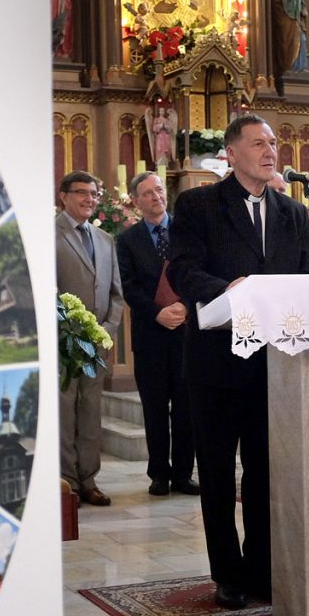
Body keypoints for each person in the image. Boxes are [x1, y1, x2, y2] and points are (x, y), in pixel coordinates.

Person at [167, 115, 309, 610]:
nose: (270, 150)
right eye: (258, 143)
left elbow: (308, 277)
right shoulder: (199, 205)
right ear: (231, 154)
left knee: (264, 473)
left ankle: (260, 568)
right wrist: (227, 290)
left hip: (275, 367)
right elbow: (183, 269)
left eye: (272, 142)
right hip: (215, 363)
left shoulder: (292, 213)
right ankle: (227, 575)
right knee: (216, 474)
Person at [116, 172, 198, 498]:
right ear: (136, 201)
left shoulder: (187, 231)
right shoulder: (127, 240)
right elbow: (128, 286)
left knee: (186, 407)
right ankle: (159, 474)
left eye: (159, 190)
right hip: (150, 335)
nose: (156, 196)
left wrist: (185, 306)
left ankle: (184, 474)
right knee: (154, 408)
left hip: (186, 333)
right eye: (148, 193)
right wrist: (156, 312)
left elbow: (198, 272)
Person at [55, 171, 124, 506]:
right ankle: (67, 481)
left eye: (94, 194)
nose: (89, 199)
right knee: (65, 412)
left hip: (96, 344)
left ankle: (88, 479)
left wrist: (106, 330)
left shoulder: (105, 239)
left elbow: (116, 294)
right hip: (63, 344)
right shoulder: (48, 235)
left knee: (91, 412)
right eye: (82, 192)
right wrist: (65, 330)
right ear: (64, 196)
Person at [271, 0, 308, 93]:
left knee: (301, 40)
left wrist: (303, 8)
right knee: (287, 43)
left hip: (297, 20)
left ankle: (300, 67)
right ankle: (288, 67)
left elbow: (301, 1)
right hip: (285, 21)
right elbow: (275, 1)